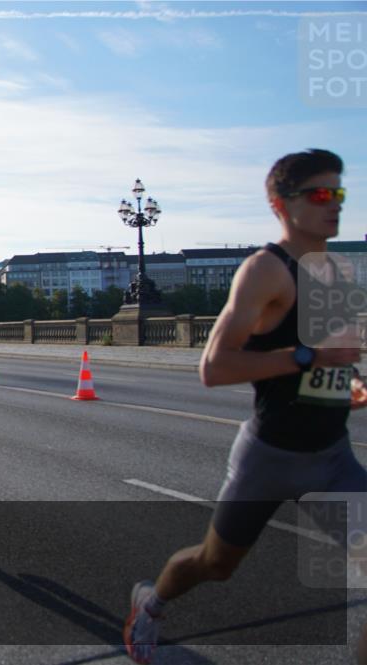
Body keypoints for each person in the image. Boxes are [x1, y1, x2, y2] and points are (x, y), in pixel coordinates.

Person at [124, 149, 367, 663]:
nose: (335, 205)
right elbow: (215, 368)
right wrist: (309, 357)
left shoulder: (335, 271)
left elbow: (327, 355)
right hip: (270, 458)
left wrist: (349, 380)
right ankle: (151, 603)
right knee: (215, 564)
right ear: (280, 204)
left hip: (331, 457)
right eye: (321, 194)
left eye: (339, 194)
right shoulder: (265, 271)